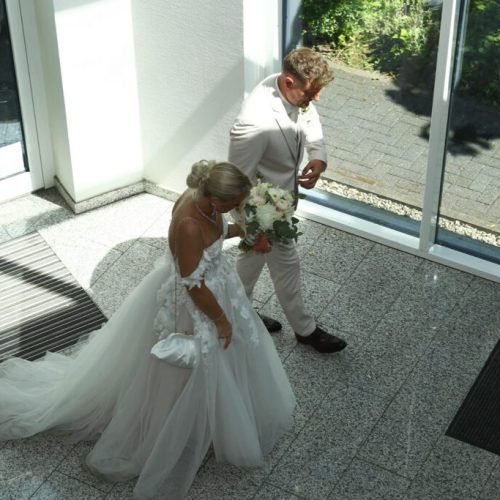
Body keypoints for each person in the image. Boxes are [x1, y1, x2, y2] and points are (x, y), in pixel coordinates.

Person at [0, 160, 295, 499]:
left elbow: (212, 239)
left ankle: (207, 417)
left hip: (213, 286)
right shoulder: (189, 224)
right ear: (216, 200)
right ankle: (174, 424)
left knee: (218, 361)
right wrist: (221, 320)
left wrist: (243, 231)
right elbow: (193, 284)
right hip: (196, 303)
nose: (237, 207)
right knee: (185, 365)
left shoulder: (199, 197)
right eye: (234, 203)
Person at [228, 47, 347, 354]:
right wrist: (256, 230)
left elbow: (310, 119)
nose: (316, 98)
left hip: (280, 204)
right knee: (286, 266)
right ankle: (304, 330)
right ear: (290, 81)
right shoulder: (253, 122)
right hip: (263, 213)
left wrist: (318, 158)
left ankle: (239, 313)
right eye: (311, 92)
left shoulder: (292, 90)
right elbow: (238, 182)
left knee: (250, 264)